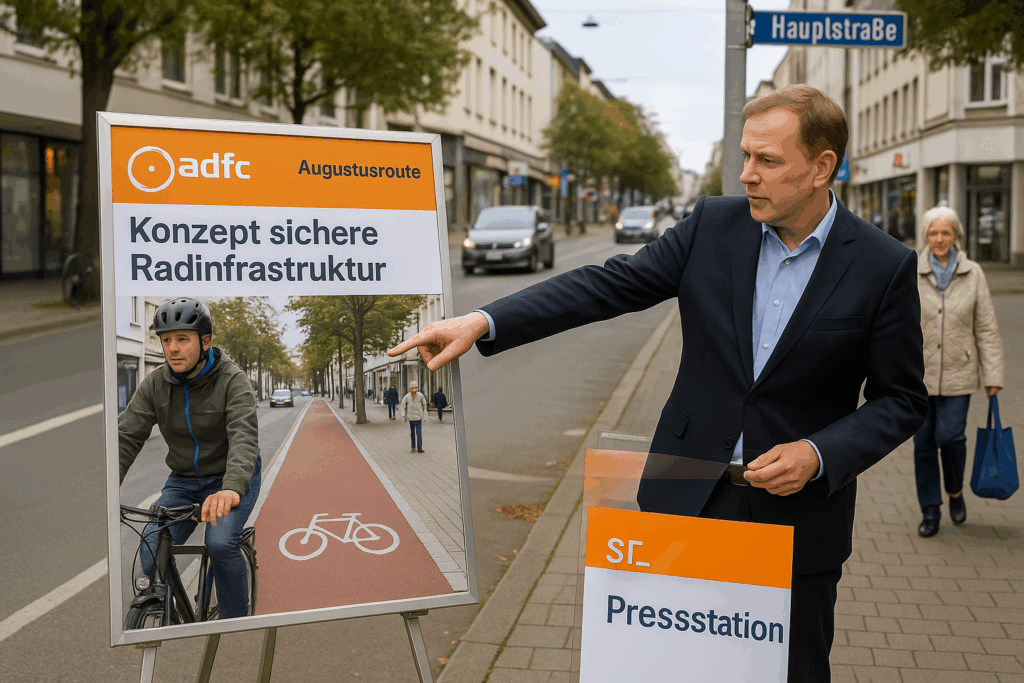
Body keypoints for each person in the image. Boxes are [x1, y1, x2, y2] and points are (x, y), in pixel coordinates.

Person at [388, 85, 927, 683]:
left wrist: (819, 453)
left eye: (767, 161)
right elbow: (603, 285)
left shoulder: (883, 266)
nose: (747, 175)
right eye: (745, 156)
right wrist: (485, 320)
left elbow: (901, 400)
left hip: (797, 524)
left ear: (823, 166)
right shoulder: (712, 227)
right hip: (686, 497)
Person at [118, 298, 261, 619]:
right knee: (151, 546)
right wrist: (104, 488)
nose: (172, 348)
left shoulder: (232, 380)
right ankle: (168, 608)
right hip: (184, 481)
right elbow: (125, 436)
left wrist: (232, 487)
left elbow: (244, 437)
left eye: (183, 339)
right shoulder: (155, 383)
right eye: (166, 339)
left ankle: (235, 617)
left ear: (205, 341)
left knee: (221, 544)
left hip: (231, 477)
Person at [914, 206, 1004, 537]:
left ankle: (954, 491)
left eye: (946, 233)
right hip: (918, 377)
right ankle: (930, 509)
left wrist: (993, 374)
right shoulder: (911, 269)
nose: (940, 239)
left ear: (956, 236)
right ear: (926, 236)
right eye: (934, 233)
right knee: (923, 443)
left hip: (959, 372)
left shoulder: (974, 272)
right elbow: (897, 325)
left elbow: (987, 327)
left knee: (950, 437)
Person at [400, 381, 428, 453]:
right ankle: (413, 446)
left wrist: (425, 415)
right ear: (410, 390)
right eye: (413, 391)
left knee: (419, 433)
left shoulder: (420, 395)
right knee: (412, 433)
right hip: (411, 418)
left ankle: (419, 447)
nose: (414, 392)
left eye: (415, 391)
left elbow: (424, 404)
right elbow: (403, 405)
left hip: (418, 417)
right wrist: (403, 414)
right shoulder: (407, 397)